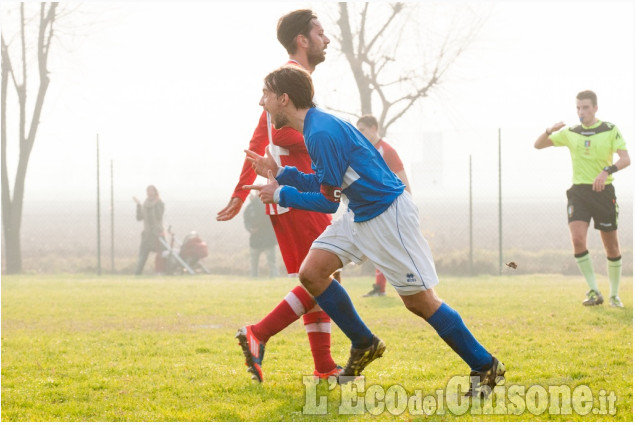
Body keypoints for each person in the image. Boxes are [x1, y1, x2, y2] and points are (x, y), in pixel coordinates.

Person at [245, 65, 505, 396]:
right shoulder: (316, 127)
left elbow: (328, 201)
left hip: (386, 215)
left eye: (265, 94)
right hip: (360, 212)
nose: (261, 102)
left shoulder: (320, 132)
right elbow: (330, 184)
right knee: (312, 273)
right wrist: (281, 173)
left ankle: (485, 367)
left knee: (420, 303)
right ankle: (364, 342)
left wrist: (280, 193)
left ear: (283, 99)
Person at [216, 10, 341, 382]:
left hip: (292, 192)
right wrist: (333, 142)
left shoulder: (295, 80)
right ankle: (258, 333)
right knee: (323, 276)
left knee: (323, 278)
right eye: (320, 33)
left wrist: (240, 192)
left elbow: (260, 138)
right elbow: (278, 137)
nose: (326, 39)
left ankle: (323, 368)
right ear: (302, 40)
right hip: (294, 193)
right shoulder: (292, 79)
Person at [534, 90, 630, 308]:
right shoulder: (571, 132)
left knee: (611, 247)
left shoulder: (609, 129)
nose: (581, 112)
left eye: (585, 107)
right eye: (578, 108)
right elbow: (538, 145)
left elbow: (625, 159)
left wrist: (607, 170)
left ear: (595, 108)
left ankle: (615, 295)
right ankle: (594, 291)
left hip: (603, 192)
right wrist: (549, 130)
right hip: (579, 192)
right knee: (577, 240)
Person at [356, 114, 412, 297]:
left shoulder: (387, 151)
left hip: (392, 208)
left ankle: (409, 281)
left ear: (374, 128)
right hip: (374, 208)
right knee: (379, 248)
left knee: (391, 248)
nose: (361, 134)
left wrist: (408, 207)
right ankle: (381, 287)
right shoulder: (364, 150)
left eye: (363, 130)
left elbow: (402, 179)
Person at [243, 193, 278, 278]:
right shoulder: (249, 208)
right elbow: (246, 221)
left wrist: (256, 227)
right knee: (254, 263)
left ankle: (274, 279)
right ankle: (254, 279)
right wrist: (250, 229)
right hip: (255, 240)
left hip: (268, 240)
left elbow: (264, 215)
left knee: (271, 263)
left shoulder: (269, 205)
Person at [133, 185, 165, 275]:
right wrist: (139, 205)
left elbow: (159, 216)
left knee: (164, 255)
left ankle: (164, 272)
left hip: (158, 235)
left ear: (155, 192)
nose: (150, 193)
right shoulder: (145, 205)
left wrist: (156, 204)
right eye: (148, 191)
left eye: (152, 191)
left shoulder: (160, 203)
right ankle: (137, 275)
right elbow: (139, 218)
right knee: (142, 257)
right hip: (147, 235)